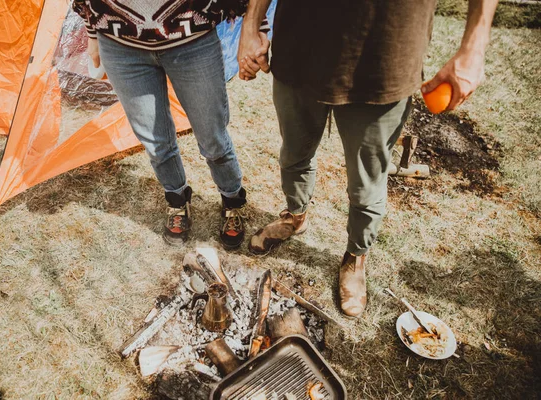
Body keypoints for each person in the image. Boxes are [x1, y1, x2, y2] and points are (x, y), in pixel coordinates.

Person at [238, 0, 498, 317]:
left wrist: (474, 47)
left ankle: (355, 255)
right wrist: (252, 22)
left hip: (384, 55)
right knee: (294, 155)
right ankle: (296, 215)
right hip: (298, 47)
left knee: (366, 182)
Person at [72, 0, 269, 249]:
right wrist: (92, 32)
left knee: (213, 137)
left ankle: (232, 200)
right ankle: (177, 198)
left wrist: (257, 26)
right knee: (154, 141)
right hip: (120, 45)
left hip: (191, 39)